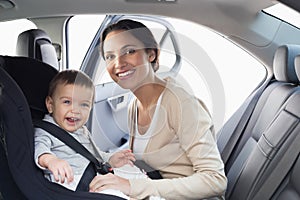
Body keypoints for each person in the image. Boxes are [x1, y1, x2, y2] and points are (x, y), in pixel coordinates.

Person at [89, 19, 227, 199]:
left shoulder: (180, 103)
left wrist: (132, 186)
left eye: (129, 51)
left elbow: (215, 180)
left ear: (151, 54)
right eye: (110, 56)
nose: (118, 63)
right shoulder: (134, 106)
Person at [34, 69, 135, 193]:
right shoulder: (46, 130)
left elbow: (94, 155)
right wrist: (51, 160)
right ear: (50, 105)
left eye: (84, 105)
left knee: (133, 184)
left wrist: (110, 159)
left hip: (92, 178)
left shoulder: (82, 130)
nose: (75, 110)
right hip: (71, 184)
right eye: (67, 102)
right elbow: (39, 148)